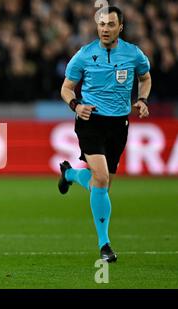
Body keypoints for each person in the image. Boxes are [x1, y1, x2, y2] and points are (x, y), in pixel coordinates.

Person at [58, 6, 151, 262]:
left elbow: (145, 77)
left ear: (120, 27)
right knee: (100, 178)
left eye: (111, 24)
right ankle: (105, 245)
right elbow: (66, 88)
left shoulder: (133, 54)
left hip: (119, 124)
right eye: (102, 24)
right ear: (97, 26)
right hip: (91, 121)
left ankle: (68, 174)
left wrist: (142, 99)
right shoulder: (84, 55)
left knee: (102, 184)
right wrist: (76, 105)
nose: (105, 29)